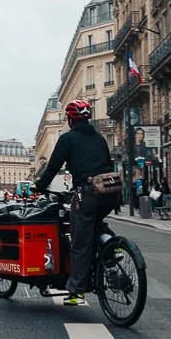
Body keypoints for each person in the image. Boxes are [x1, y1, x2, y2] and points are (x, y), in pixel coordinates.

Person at [33, 98, 119, 306]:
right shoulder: (99, 138)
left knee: (80, 241)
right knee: (96, 222)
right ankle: (111, 246)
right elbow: (106, 163)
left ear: (71, 119)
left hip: (88, 191)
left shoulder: (68, 139)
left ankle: (76, 291)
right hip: (111, 191)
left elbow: (53, 166)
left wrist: (40, 186)